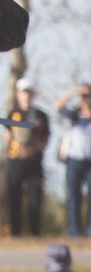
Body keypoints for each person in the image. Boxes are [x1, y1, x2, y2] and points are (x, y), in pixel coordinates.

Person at [0, 82, 51, 238]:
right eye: (23, 92)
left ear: (33, 95)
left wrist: (34, 150)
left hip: (34, 161)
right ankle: (15, 232)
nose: (26, 96)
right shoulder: (13, 114)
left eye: (29, 92)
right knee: (15, 195)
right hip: (15, 160)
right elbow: (7, 136)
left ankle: (35, 232)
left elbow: (46, 137)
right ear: (18, 94)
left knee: (35, 196)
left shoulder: (41, 115)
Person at [61, 85, 91, 238]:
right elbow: (58, 106)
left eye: (88, 95)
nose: (85, 99)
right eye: (83, 96)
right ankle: (74, 231)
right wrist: (73, 92)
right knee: (74, 197)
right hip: (74, 160)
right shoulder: (74, 115)